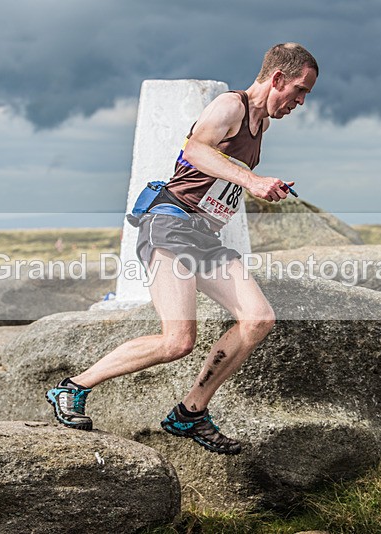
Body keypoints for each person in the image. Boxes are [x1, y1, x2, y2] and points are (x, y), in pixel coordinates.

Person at [46, 43, 318, 454]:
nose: (300, 101)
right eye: (299, 90)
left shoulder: (262, 126)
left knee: (258, 319)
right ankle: (72, 388)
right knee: (177, 341)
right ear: (277, 78)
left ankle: (190, 412)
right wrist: (252, 181)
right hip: (170, 225)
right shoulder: (231, 106)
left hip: (204, 237)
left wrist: (257, 186)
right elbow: (193, 149)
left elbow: (219, 178)